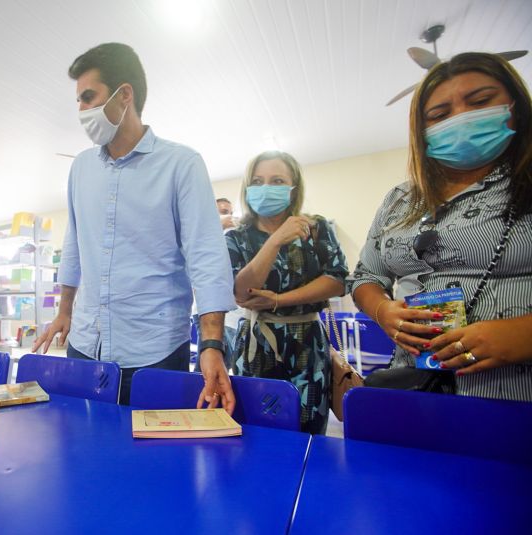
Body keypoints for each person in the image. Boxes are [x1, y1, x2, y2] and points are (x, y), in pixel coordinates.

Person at [32, 43, 237, 410]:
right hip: (84, 343)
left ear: (124, 94)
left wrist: (211, 345)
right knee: (83, 454)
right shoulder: (81, 168)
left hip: (153, 349)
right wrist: (64, 311)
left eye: (88, 97)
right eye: (78, 101)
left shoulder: (181, 164)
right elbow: (75, 244)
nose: (81, 110)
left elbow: (207, 257)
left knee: (151, 463)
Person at [347, 52, 532, 401]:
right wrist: (383, 310)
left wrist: (522, 336)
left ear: (515, 106)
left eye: (480, 101)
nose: (461, 118)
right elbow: (365, 277)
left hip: (514, 396)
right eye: (440, 115)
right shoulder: (400, 199)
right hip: (419, 389)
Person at [226, 151, 348, 434]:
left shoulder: (316, 229)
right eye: (257, 181)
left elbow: (338, 280)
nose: (265, 188)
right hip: (255, 343)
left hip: (308, 343)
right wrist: (275, 240)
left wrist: (280, 299)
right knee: (255, 427)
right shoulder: (236, 237)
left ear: (293, 189)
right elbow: (241, 292)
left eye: (277, 180)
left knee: (309, 427)